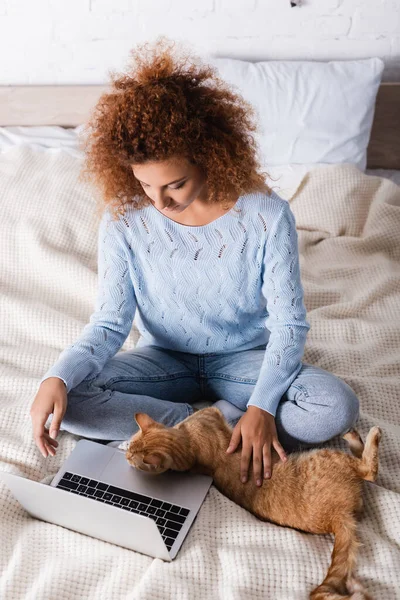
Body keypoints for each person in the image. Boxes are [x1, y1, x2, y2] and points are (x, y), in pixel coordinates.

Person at [30, 36, 359, 489]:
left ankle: (221, 427)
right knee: (70, 400)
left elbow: (289, 325)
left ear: (210, 156)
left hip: (244, 360)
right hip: (163, 360)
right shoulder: (124, 219)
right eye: (145, 185)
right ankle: (205, 428)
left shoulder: (266, 214)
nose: (159, 201)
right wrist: (57, 377)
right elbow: (109, 324)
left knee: (334, 408)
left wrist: (262, 407)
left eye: (176, 184)